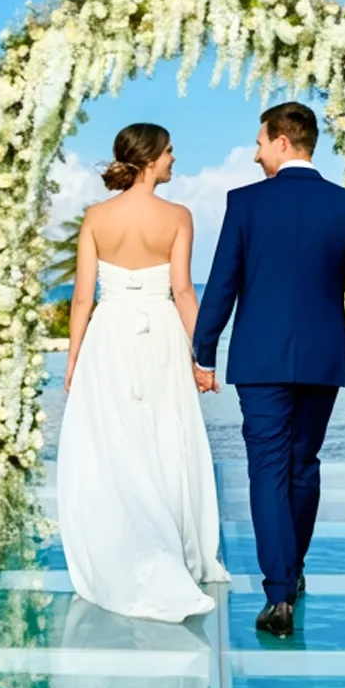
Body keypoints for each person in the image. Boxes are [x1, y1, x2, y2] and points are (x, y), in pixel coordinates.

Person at [192, 102, 345, 638]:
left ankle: (279, 593)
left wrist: (203, 351)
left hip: (259, 359)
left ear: (281, 142)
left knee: (269, 469)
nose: (255, 154)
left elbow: (222, 281)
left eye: (258, 143)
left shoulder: (245, 204)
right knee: (303, 465)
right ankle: (290, 573)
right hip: (324, 360)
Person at [55, 122, 228, 622]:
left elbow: (83, 297)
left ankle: (125, 543)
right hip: (160, 337)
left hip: (108, 336)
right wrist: (202, 357)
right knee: (163, 437)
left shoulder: (96, 217)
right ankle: (169, 547)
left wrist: (74, 358)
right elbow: (182, 292)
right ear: (151, 158)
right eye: (170, 151)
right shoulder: (177, 216)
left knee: (113, 443)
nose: (175, 159)